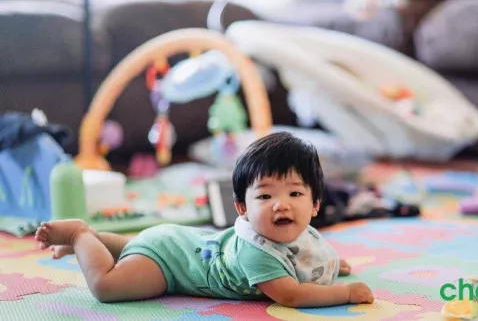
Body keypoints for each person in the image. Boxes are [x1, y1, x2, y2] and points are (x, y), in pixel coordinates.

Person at [35, 132, 374, 308]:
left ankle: (92, 242)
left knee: (134, 246)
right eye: (265, 196)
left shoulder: (302, 232)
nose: (280, 207)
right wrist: (343, 293)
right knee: (108, 287)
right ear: (241, 208)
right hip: (168, 264)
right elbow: (292, 295)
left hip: (174, 240)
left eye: (295, 195)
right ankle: (80, 235)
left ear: (316, 204)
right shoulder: (256, 251)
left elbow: (305, 254)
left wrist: (328, 264)